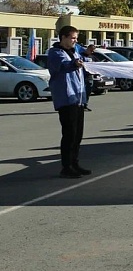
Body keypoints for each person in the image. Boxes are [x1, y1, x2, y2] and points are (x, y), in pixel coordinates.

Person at [47, 25, 90, 178]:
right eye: (72, 38)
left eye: (76, 38)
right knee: (69, 134)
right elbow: (63, 66)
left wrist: (87, 54)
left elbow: (82, 60)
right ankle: (66, 167)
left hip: (77, 99)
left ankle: (75, 163)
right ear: (63, 37)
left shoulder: (75, 51)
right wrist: (74, 64)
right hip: (66, 99)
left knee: (78, 134)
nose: (75, 41)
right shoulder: (55, 53)